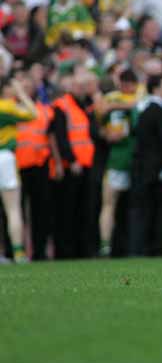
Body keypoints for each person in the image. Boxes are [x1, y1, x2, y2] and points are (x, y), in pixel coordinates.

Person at [129, 74, 162, 257]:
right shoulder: (159, 111)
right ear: (156, 89)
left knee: (142, 211)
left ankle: (139, 249)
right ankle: (157, 249)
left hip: (142, 167)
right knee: (159, 211)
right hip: (154, 169)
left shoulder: (143, 109)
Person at [50, 73, 96, 259]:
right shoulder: (63, 106)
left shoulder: (84, 104)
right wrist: (70, 159)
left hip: (86, 163)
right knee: (67, 211)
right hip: (73, 165)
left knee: (83, 210)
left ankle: (81, 249)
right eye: (78, 86)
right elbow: (61, 137)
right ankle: (66, 251)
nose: (82, 89)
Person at [97, 69, 141, 256]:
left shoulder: (138, 96)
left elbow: (138, 105)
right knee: (108, 203)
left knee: (133, 206)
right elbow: (100, 116)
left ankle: (133, 245)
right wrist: (106, 133)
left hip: (134, 158)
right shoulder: (113, 98)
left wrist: (117, 106)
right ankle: (105, 246)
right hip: (117, 159)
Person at [0, 76, 38, 262]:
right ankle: (18, 252)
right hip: (5, 157)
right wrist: (22, 94)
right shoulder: (7, 106)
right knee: (13, 208)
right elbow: (33, 114)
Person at [16, 74, 54, 261]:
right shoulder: (9, 109)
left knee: (41, 211)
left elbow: (51, 137)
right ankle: (15, 250)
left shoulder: (45, 110)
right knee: (16, 211)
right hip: (16, 165)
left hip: (39, 164)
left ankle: (40, 251)